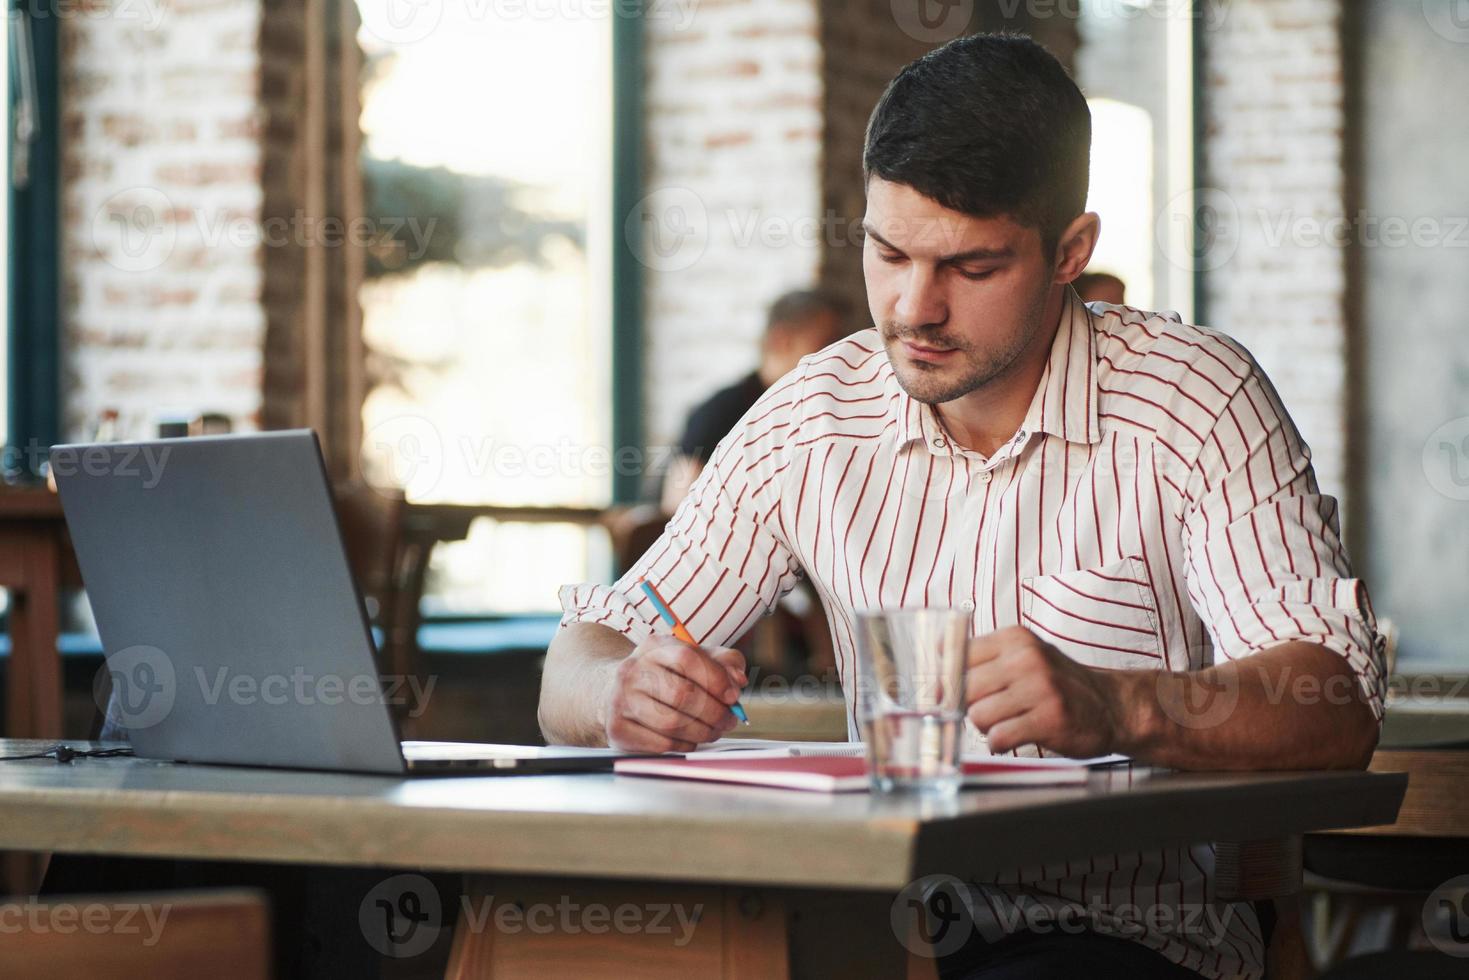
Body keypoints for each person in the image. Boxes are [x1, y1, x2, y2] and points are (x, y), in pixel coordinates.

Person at [542, 34, 1382, 980]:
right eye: (887, 252)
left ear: (1071, 251)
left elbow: (1337, 705)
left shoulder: (1194, 400)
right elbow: (578, 656)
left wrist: (1121, 705)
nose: (914, 308)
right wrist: (619, 693)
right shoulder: (812, 417)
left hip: (1114, 940)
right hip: (872, 925)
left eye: (970, 268)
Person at [659, 289, 847, 514]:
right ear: (782, 341)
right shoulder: (719, 412)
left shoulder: (819, 411)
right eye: (826, 343)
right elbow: (677, 508)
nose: (837, 357)